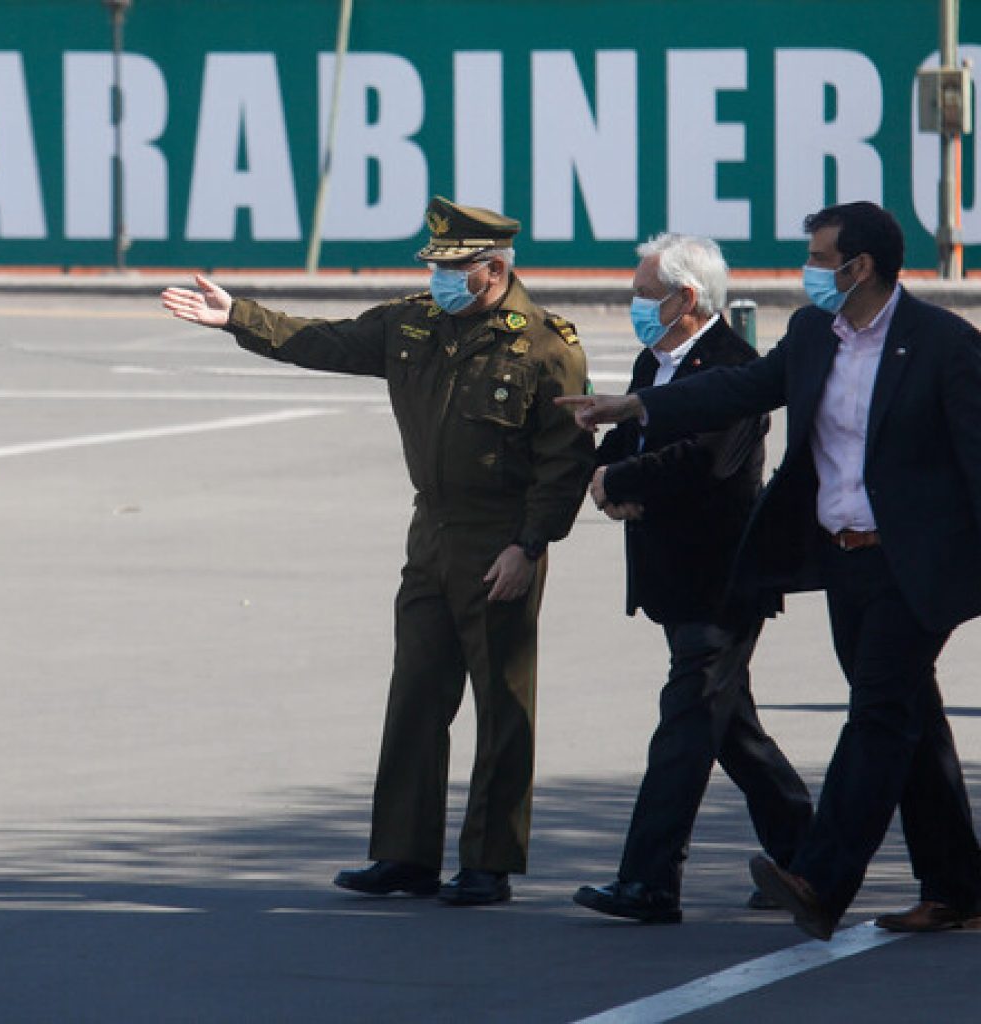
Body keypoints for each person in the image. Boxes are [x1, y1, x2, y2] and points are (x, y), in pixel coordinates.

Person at [558, 201, 981, 940]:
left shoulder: (943, 344)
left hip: (916, 567)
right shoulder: (814, 333)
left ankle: (819, 878)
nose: (807, 270)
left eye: (819, 258)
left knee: (878, 716)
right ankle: (958, 888)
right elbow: (740, 388)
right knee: (911, 717)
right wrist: (637, 405)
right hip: (845, 560)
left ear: (860, 267)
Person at [162, 196, 593, 906]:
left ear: (493, 269)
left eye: (454, 269)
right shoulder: (412, 323)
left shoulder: (546, 347)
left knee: (502, 704)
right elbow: (322, 341)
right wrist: (238, 315)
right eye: (435, 267)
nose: (439, 280)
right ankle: (405, 854)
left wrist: (529, 545)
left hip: (500, 537)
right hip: (432, 533)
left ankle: (488, 864)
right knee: (416, 693)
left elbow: (565, 460)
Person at [571, 233, 812, 925]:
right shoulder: (655, 359)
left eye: (645, 294)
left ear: (686, 298)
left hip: (723, 581)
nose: (635, 305)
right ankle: (808, 858)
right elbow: (631, 440)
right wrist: (601, 472)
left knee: (684, 726)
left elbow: (703, 460)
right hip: (673, 578)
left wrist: (618, 481)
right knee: (731, 728)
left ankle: (648, 881)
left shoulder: (736, 367)